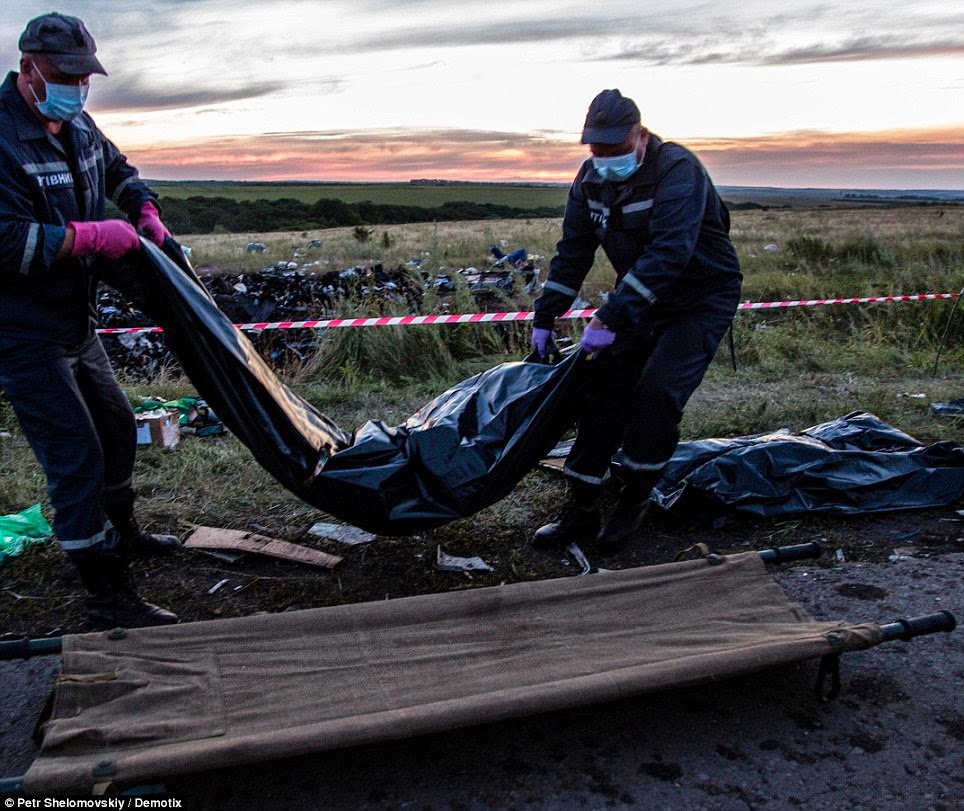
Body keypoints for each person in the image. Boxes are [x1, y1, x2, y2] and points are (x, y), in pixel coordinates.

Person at [0, 13, 180, 628]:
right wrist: (89, 236)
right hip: (23, 330)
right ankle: (106, 594)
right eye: (63, 75)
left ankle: (124, 535)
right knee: (75, 457)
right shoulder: (1, 137)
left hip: (76, 323)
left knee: (116, 427)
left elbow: (118, 170)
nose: (76, 87)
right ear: (29, 69)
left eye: (84, 77)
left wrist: (143, 207)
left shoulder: (77, 124)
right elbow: (5, 241)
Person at [531, 89, 742, 552]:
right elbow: (574, 250)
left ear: (640, 136)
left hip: (699, 298)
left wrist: (608, 317)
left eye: (616, 149)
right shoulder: (589, 180)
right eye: (596, 150)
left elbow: (670, 252)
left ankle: (635, 499)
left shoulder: (677, 170)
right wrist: (545, 315)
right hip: (642, 299)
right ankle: (581, 509)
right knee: (600, 389)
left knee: (656, 393)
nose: (606, 159)